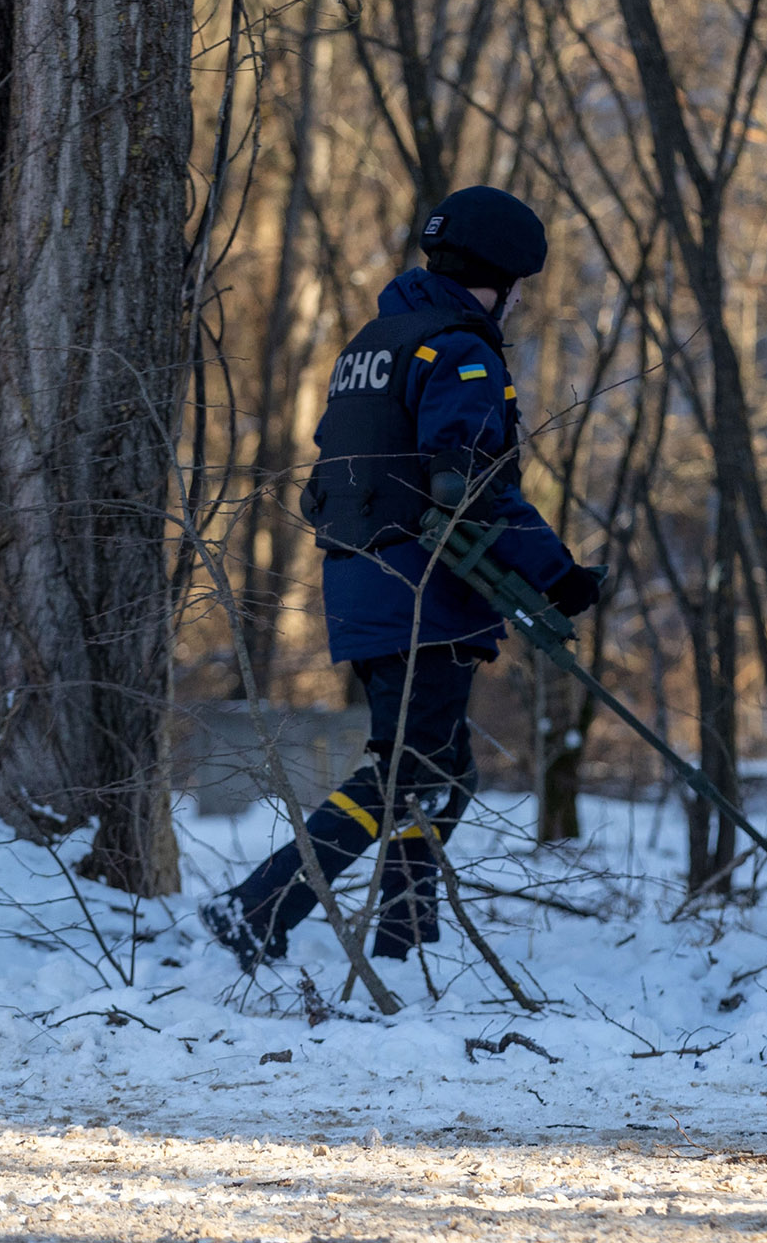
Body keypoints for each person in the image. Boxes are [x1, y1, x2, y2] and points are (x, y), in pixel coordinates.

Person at [201, 186, 601, 971]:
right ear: (501, 277)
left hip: (363, 586)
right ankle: (261, 905)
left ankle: (403, 933)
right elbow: (471, 484)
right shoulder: (460, 349)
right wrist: (558, 577)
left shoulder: (372, 346)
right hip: (428, 596)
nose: (518, 305)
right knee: (407, 771)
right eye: (520, 288)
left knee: (441, 770)